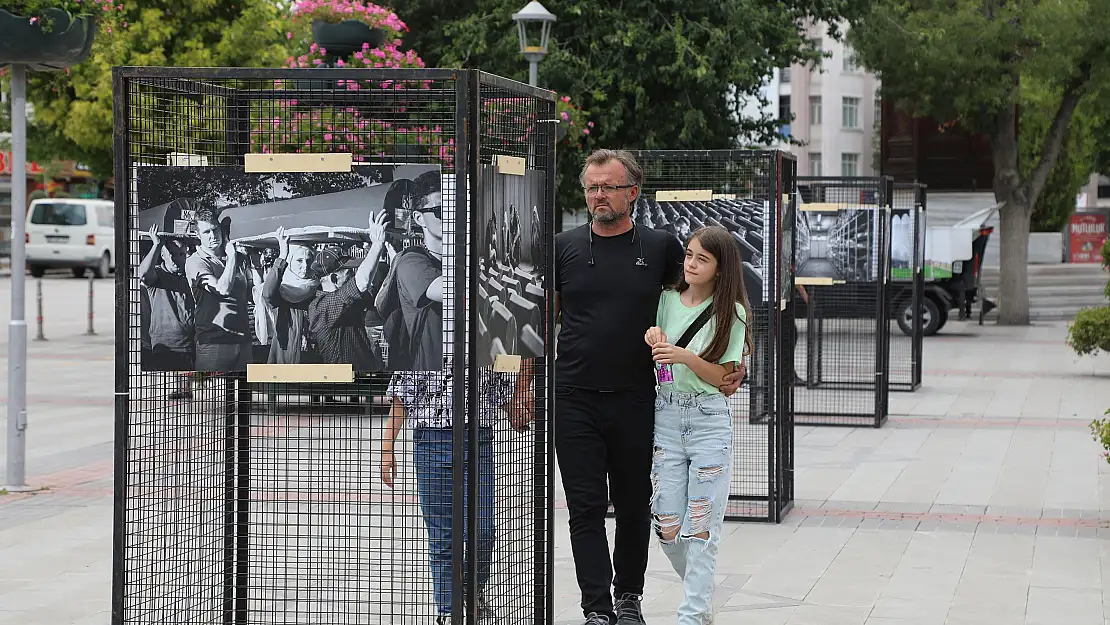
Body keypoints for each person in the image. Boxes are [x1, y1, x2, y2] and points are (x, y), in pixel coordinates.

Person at [550, 149, 746, 625]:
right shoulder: (564, 247)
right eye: (592, 187)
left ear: (632, 192)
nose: (598, 195)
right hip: (573, 396)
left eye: (608, 186)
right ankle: (596, 606)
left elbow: (701, 293)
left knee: (636, 505)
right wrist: (522, 388)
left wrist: (727, 358)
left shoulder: (659, 248)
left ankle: (628, 598)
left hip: (639, 399)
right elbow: (543, 317)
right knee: (585, 508)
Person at [643, 225, 754, 625]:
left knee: (701, 527)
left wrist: (684, 356)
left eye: (701, 259)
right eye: (689, 255)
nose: (690, 264)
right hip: (667, 416)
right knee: (668, 527)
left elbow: (723, 378)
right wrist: (653, 336)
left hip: (708, 419)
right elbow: (654, 339)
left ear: (720, 269)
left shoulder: (733, 312)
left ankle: (691, 616)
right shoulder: (667, 299)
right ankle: (701, 600)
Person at [382, 358, 516, 625]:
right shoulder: (426, 324)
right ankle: (447, 610)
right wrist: (387, 448)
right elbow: (402, 393)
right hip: (432, 439)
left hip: (478, 438)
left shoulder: (485, 325)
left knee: (483, 529)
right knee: (442, 536)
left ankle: (472, 588)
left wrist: (520, 408)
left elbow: (501, 389)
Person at [305, 211, 391, 371]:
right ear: (334, 279)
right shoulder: (321, 307)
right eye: (349, 272)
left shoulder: (342, 300)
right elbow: (363, 282)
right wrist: (377, 244)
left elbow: (372, 281)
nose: (353, 274)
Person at [375, 170, 444, 370]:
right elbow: (451, 292)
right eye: (440, 210)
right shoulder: (411, 261)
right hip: (431, 379)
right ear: (419, 218)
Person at [185, 205, 253, 372]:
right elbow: (222, 290)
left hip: (243, 340)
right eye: (206, 232)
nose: (213, 236)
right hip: (214, 342)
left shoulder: (239, 258)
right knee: (212, 394)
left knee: (244, 393)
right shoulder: (196, 262)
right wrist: (231, 259)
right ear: (198, 235)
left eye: (215, 230)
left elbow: (252, 294)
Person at [139, 224, 195, 398]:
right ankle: (179, 389)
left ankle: (184, 388)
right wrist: (156, 244)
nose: (178, 259)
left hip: (190, 343)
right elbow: (142, 274)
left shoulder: (189, 275)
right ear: (162, 255)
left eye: (181, 254)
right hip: (166, 344)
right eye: (172, 255)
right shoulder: (158, 275)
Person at [260, 226, 320, 364]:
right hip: (286, 351)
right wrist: (282, 257)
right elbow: (268, 294)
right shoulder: (282, 289)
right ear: (290, 261)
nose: (305, 265)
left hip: (311, 352)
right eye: (299, 260)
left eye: (309, 260)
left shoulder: (317, 285)